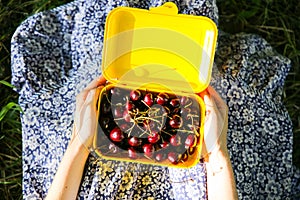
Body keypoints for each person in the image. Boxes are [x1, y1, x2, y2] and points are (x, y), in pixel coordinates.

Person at [11, 0, 299, 199]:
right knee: (191, 61)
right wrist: (216, 156)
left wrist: (80, 141)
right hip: (192, 170)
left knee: (113, 51)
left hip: (102, 157)